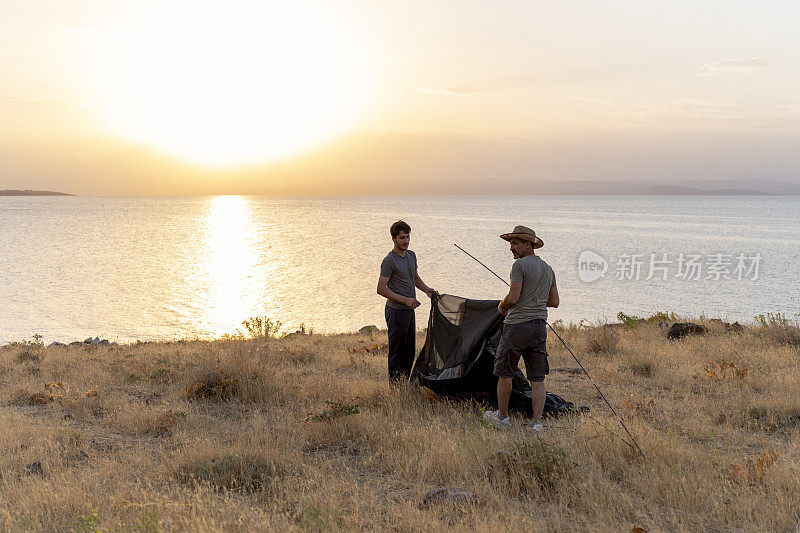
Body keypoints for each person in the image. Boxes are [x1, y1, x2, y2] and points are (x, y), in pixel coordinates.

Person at [483, 225, 559, 432]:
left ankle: (502, 417)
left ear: (528, 244)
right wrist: (535, 299)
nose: (511, 248)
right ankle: (536, 423)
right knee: (537, 379)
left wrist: (501, 305)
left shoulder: (519, 267)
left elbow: (513, 298)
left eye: (515, 244)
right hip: (539, 329)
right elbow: (554, 301)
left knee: (505, 373)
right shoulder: (548, 269)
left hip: (516, 328)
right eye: (510, 244)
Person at [377, 220, 436, 380]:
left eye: (408, 237)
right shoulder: (389, 261)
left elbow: (415, 278)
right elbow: (381, 289)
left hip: (409, 311)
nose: (406, 241)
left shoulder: (411, 255)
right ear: (393, 239)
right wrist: (404, 300)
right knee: (397, 352)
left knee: (410, 352)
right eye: (402, 238)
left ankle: (404, 383)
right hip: (395, 312)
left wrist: (426, 290)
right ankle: (395, 388)